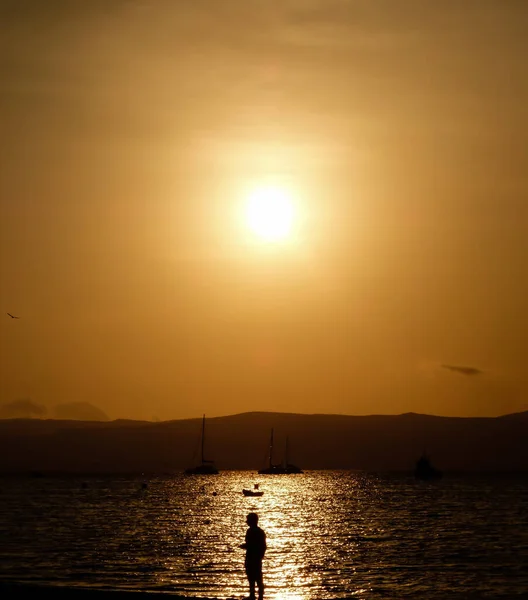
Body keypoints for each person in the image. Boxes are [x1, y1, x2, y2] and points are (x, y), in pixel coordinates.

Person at [240, 512, 266, 600]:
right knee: (257, 577)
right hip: (257, 558)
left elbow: (251, 544)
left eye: (248, 520)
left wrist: (245, 546)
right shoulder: (261, 532)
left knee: (252, 577)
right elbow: (263, 546)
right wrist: (261, 555)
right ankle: (259, 596)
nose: (246, 522)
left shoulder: (251, 531)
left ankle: (253, 596)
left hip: (252, 557)